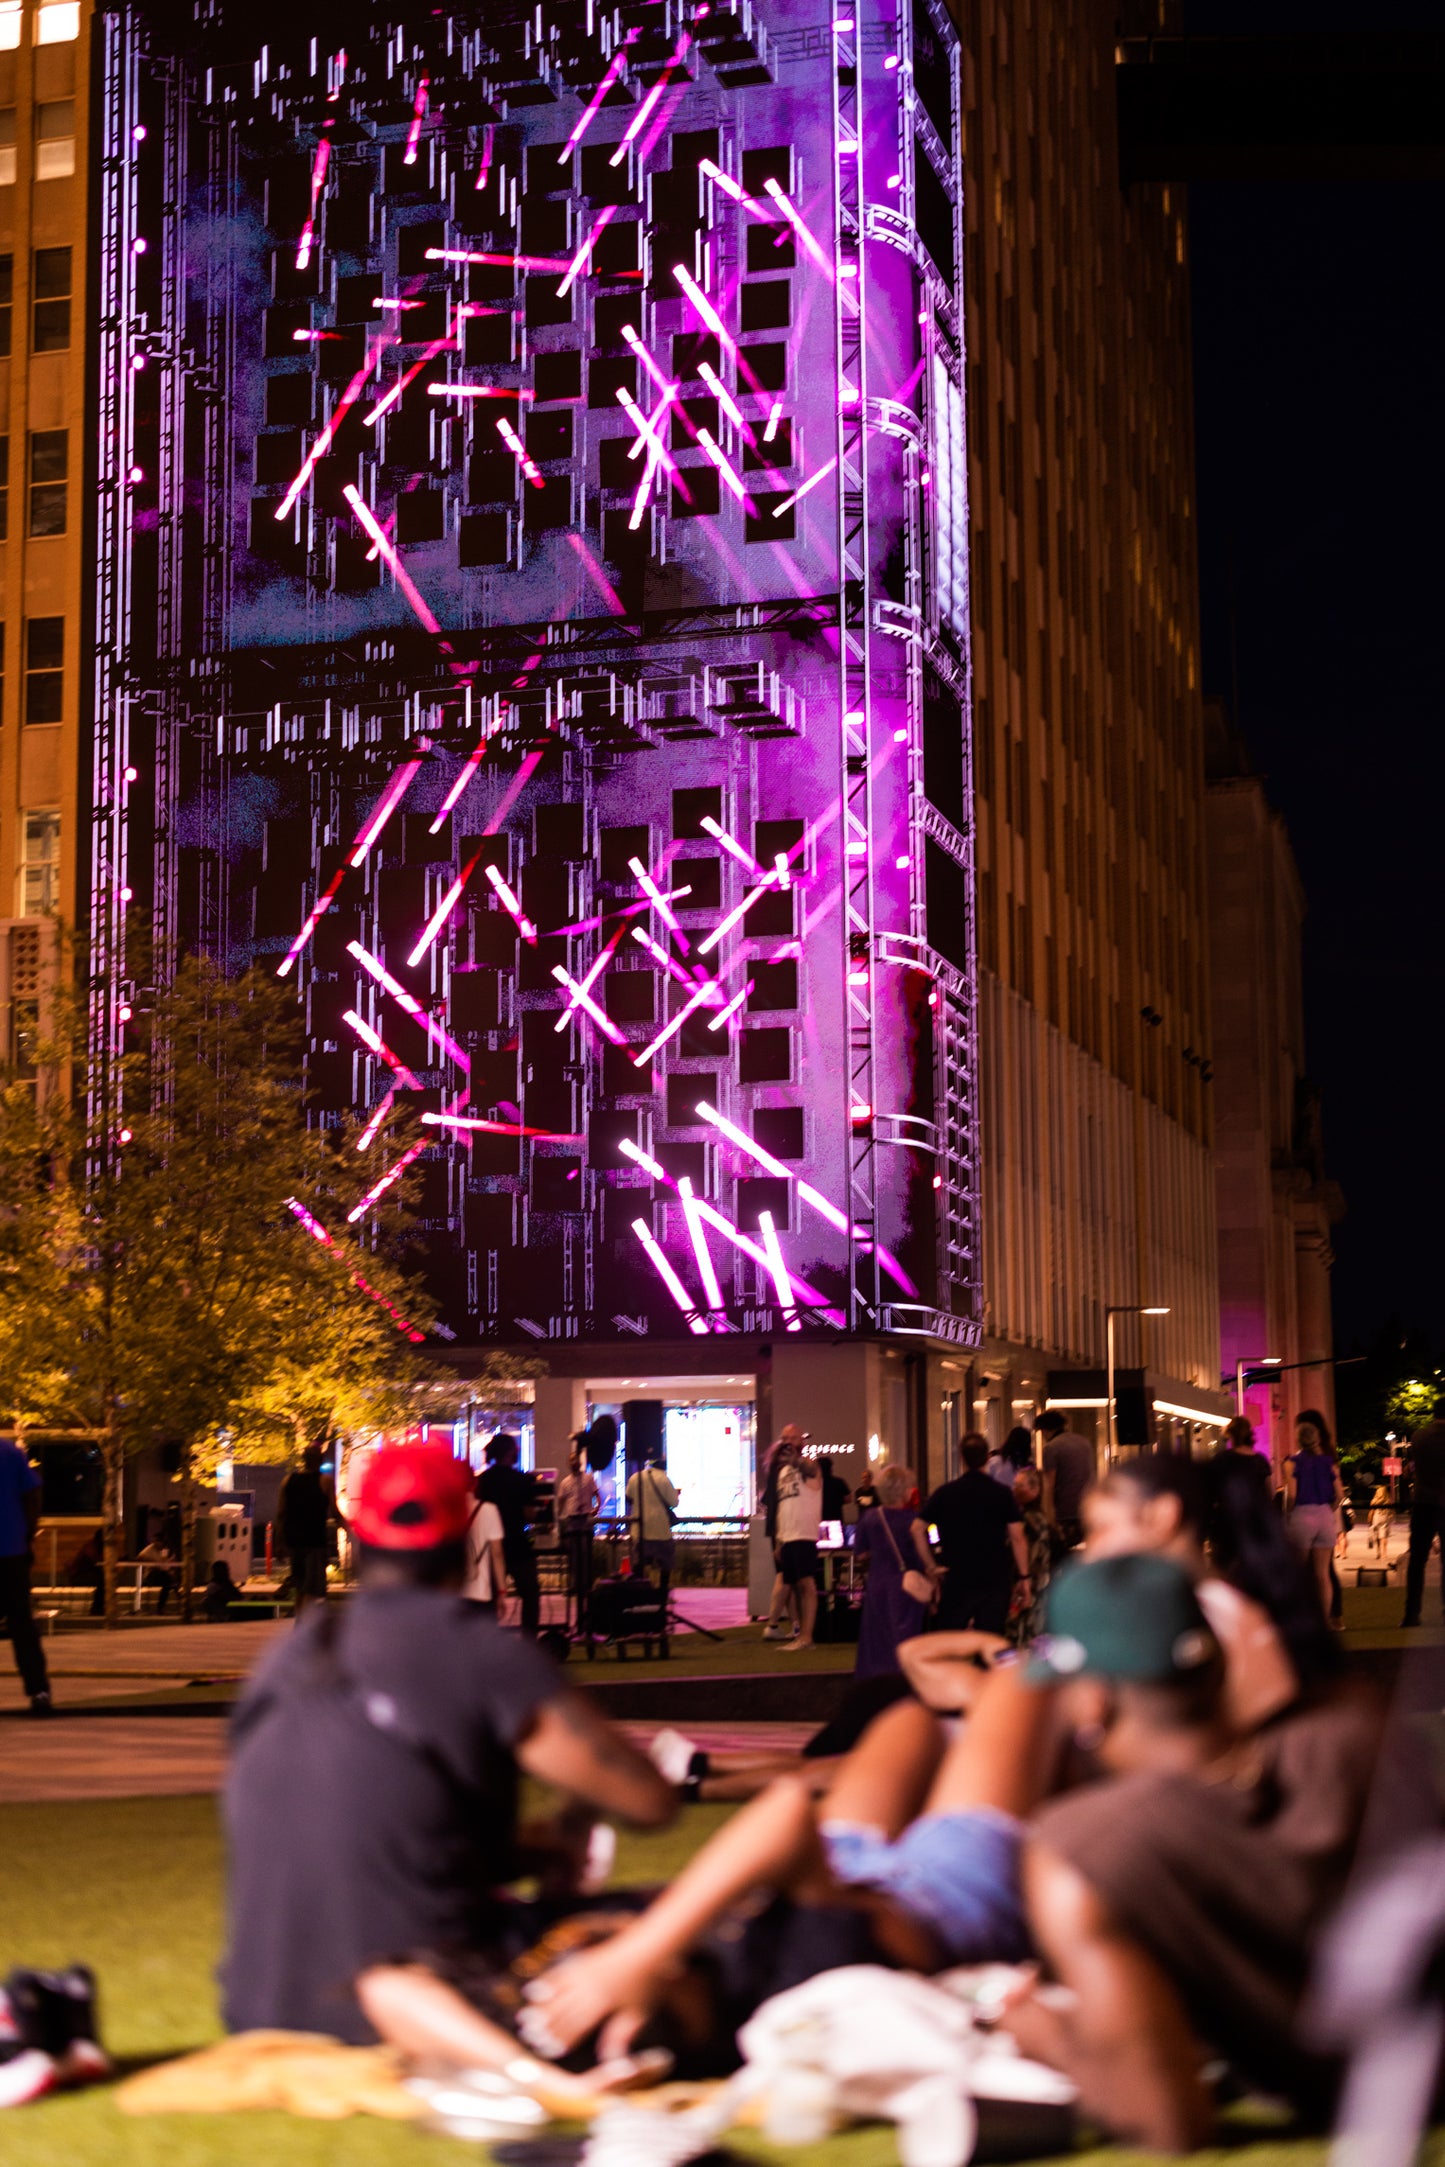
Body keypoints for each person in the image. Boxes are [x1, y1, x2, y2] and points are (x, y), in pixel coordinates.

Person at [221, 1443, 674, 2088]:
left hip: (262, 2003)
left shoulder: (290, 1655)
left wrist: (524, 1852)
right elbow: (648, 1802)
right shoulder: (479, 1651)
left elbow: (359, 1832)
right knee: (668, 1928)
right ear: (463, 1536)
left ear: (361, 1533)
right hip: (417, 1991)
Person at [1005, 1554, 1381, 2147]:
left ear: (1092, 1700)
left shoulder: (1084, 1847)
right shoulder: (1359, 1734)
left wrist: (1043, 2036)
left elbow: (1168, 2119)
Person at [518, 1663, 1054, 2068]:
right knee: (1019, 1680)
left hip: (838, 1866)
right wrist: (638, 1952)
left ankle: (997, 1739)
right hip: (944, 1895)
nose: (615, 1941)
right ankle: (1034, 1745)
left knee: (907, 1720)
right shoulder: (798, 1987)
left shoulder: (700, 1991)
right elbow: (785, 1810)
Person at [1083, 1451, 1305, 1731]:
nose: (1093, 1551)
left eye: (1102, 1528)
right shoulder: (1190, 1609)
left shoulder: (1222, 1617)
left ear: (1162, 1515)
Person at [925, 1434, 1030, 1634]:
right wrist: (1024, 1577)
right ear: (986, 1457)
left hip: (956, 1575)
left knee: (950, 1641)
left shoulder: (946, 1492)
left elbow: (916, 1528)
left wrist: (931, 1566)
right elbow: (1018, 1538)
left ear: (962, 1459)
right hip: (994, 1577)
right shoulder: (1002, 1493)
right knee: (991, 1641)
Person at [853, 1464, 939, 1678]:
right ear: (906, 1490)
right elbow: (921, 1555)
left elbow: (861, 1554)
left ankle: (875, 1684)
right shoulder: (913, 1521)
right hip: (906, 1586)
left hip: (877, 1584)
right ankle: (903, 1685)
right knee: (905, 1636)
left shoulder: (870, 1517)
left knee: (876, 1639)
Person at [0, 1434, 53, 1715]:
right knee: (22, 1624)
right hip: (11, 1550)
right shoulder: (10, 1451)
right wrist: (29, 1533)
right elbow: (32, 1495)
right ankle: (39, 1690)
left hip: (12, 1547)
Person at [759, 1435, 821, 1649]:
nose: (784, 1457)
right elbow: (782, 1508)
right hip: (788, 1537)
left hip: (804, 1534)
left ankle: (807, 1637)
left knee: (807, 1586)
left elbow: (812, 1471)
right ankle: (801, 1635)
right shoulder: (783, 1473)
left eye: (789, 1452)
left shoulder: (808, 1467)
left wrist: (797, 1461)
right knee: (794, 1586)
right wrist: (779, 1540)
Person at [1284, 1408, 1344, 1622]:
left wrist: (1288, 1514)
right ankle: (1326, 1619)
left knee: (1298, 1571)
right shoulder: (1329, 1462)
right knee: (1323, 1573)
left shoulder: (1292, 1463)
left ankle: (1298, 1617)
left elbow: (1291, 1495)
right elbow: (1340, 1493)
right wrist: (1331, 1508)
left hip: (1303, 1514)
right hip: (1325, 1516)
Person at [478, 1434, 540, 1637]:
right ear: (511, 1452)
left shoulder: (483, 1481)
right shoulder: (522, 1480)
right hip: (517, 1544)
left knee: (490, 1598)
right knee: (530, 1594)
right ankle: (528, 1641)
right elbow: (529, 1514)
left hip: (489, 1545)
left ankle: (488, 1641)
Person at [1402, 1396, 1445, 1627]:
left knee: (1417, 1560)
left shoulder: (1419, 1437)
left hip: (1423, 1502)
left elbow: (1414, 1468)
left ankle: (1411, 1613)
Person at [278, 1444, 334, 1613]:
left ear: (304, 1460)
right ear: (320, 1460)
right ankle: (307, 1626)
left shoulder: (288, 1480)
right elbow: (335, 1511)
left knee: (301, 1586)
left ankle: (300, 1622)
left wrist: (279, 1543)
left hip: (294, 1541)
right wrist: (351, 1531)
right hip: (314, 1541)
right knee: (314, 1588)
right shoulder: (325, 1481)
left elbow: (281, 1513)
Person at [624, 1444, 678, 1604]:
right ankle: (662, 1595)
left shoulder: (635, 1477)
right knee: (665, 1565)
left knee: (639, 1565)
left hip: (640, 1531)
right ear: (662, 1465)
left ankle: (639, 1596)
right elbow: (674, 1503)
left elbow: (628, 1499)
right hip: (661, 1530)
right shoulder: (664, 1479)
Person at [556, 1437, 601, 1625]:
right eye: (571, 1461)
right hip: (573, 1520)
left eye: (576, 1461)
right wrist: (558, 1521)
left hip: (585, 1519)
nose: (574, 1464)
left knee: (585, 1552)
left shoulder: (588, 1478)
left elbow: (597, 1494)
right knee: (575, 1554)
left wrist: (596, 1507)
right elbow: (560, 1502)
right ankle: (577, 1583)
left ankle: (586, 1583)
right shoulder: (565, 1482)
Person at [1035, 1411, 1094, 1551]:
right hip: (1086, 1507)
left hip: (1064, 1512)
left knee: (1060, 1556)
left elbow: (1049, 1484)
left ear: (1045, 1429)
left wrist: (1049, 1517)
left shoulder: (1051, 1448)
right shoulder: (1084, 1442)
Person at [1009, 1465, 1052, 1646]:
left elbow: (1029, 1554)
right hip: (1041, 1585)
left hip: (1028, 1585)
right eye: (1015, 1485)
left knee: (1021, 1635)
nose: (1015, 1489)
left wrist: (1021, 1578)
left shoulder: (1028, 1520)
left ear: (1035, 1489)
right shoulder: (1046, 1518)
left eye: (1020, 1485)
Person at [461, 1476, 507, 1615]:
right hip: (480, 1589)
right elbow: (497, 1554)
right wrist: (502, 1591)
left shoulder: (448, 1510)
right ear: (475, 1486)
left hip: (453, 1590)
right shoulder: (488, 1510)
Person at [817, 1454, 849, 1524]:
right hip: (836, 1519)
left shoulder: (815, 1484)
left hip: (820, 1520)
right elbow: (848, 1499)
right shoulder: (839, 1482)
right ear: (831, 1468)